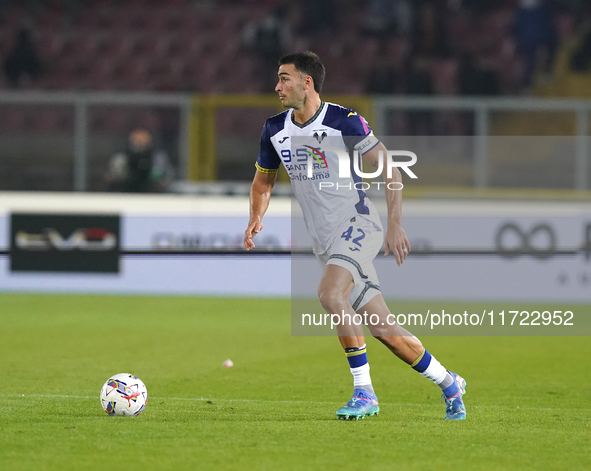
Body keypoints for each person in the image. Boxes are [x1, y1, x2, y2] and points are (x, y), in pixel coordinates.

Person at [243, 51, 467, 421]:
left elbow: (390, 169)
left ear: (306, 82)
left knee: (329, 294)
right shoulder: (274, 129)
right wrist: (255, 217)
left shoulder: (344, 121)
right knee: (385, 330)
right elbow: (263, 180)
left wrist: (395, 223)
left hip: (359, 225)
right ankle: (448, 383)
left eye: (284, 78)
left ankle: (365, 393)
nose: (277, 86)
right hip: (325, 241)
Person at [105, 128, 173, 193]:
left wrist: (159, 182)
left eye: (143, 141)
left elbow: (168, 178)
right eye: (137, 141)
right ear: (131, 142)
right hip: (125, 193)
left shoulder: (158, 158)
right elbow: (112, 177)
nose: (140, 144)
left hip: (153, 194)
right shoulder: (121, 158)